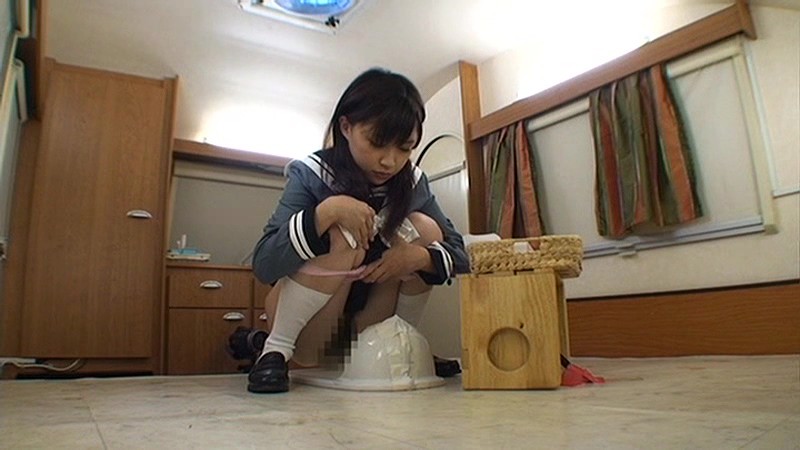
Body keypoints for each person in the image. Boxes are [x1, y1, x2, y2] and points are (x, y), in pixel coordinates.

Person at [248, 68, 469, 394]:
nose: (390, 161)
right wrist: (325, 213)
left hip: (368, 323)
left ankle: (403, 344)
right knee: (343, 230)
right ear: (346, 127)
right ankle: (274, 351)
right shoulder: (311, 174)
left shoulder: (412, 181)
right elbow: (264, 264)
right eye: (377, 142)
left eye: (405, 147)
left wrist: (418, 258)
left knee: (424, 229)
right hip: (309, 331)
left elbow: (462, 255)